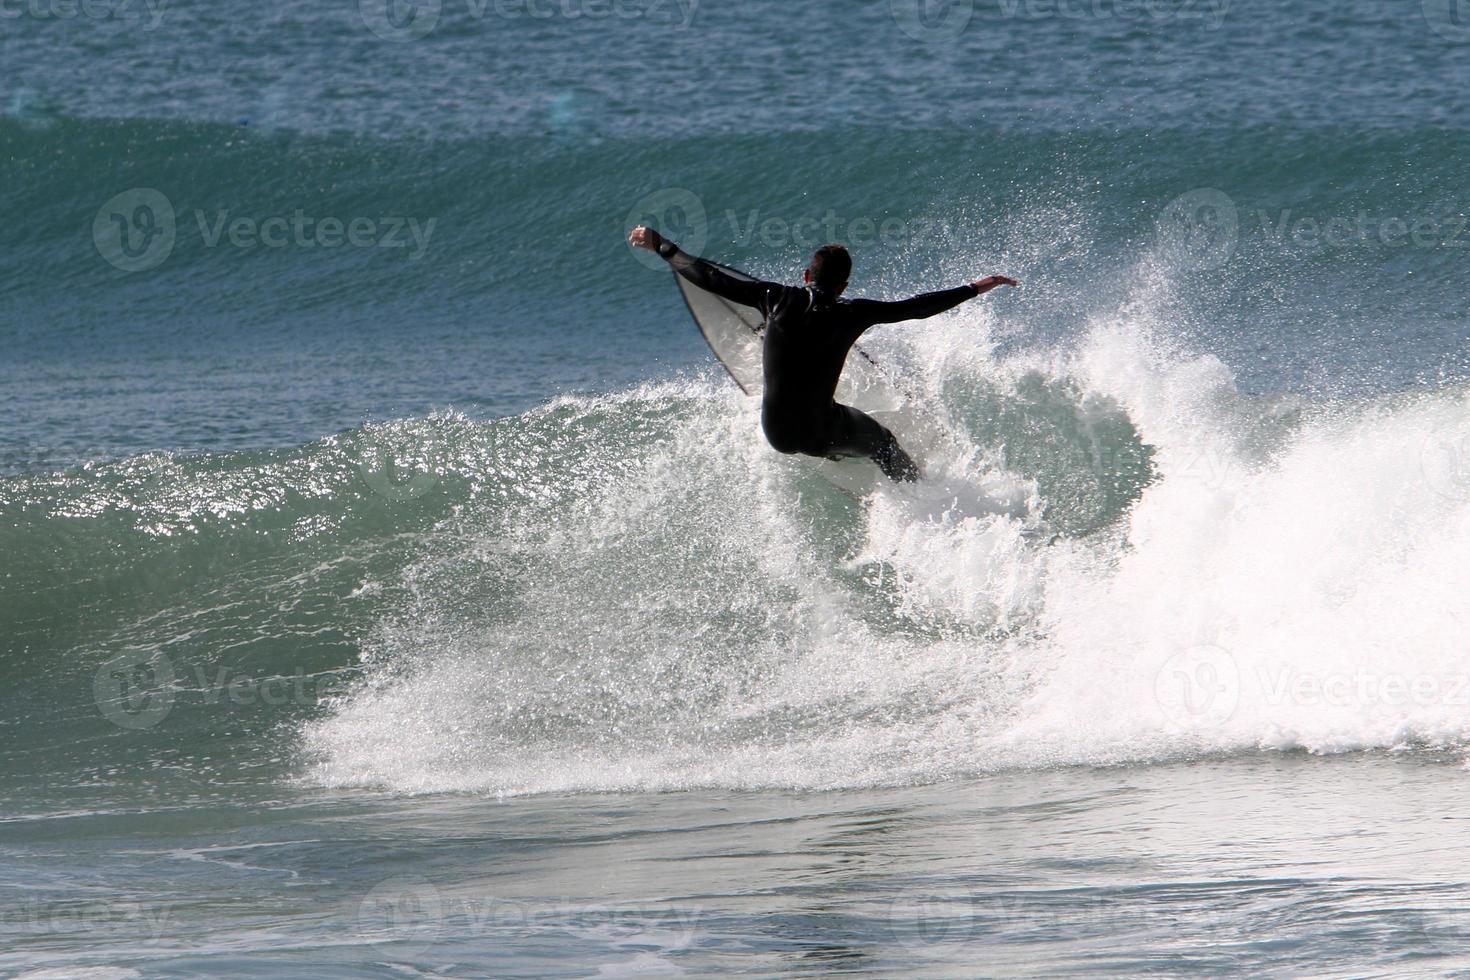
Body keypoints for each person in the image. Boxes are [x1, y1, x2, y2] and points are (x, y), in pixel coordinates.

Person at [629, 226, 1018, 482]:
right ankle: (916, 488)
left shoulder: (776, 298)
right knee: (884, 443)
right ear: (844, 285)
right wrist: (976, 286)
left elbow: (710, 278)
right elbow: (916, 307)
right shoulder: (855, 312)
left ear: (805, 276)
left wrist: (662, 245)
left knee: (808, 410)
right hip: (822, 431)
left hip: (776, 433)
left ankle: (836, 454)